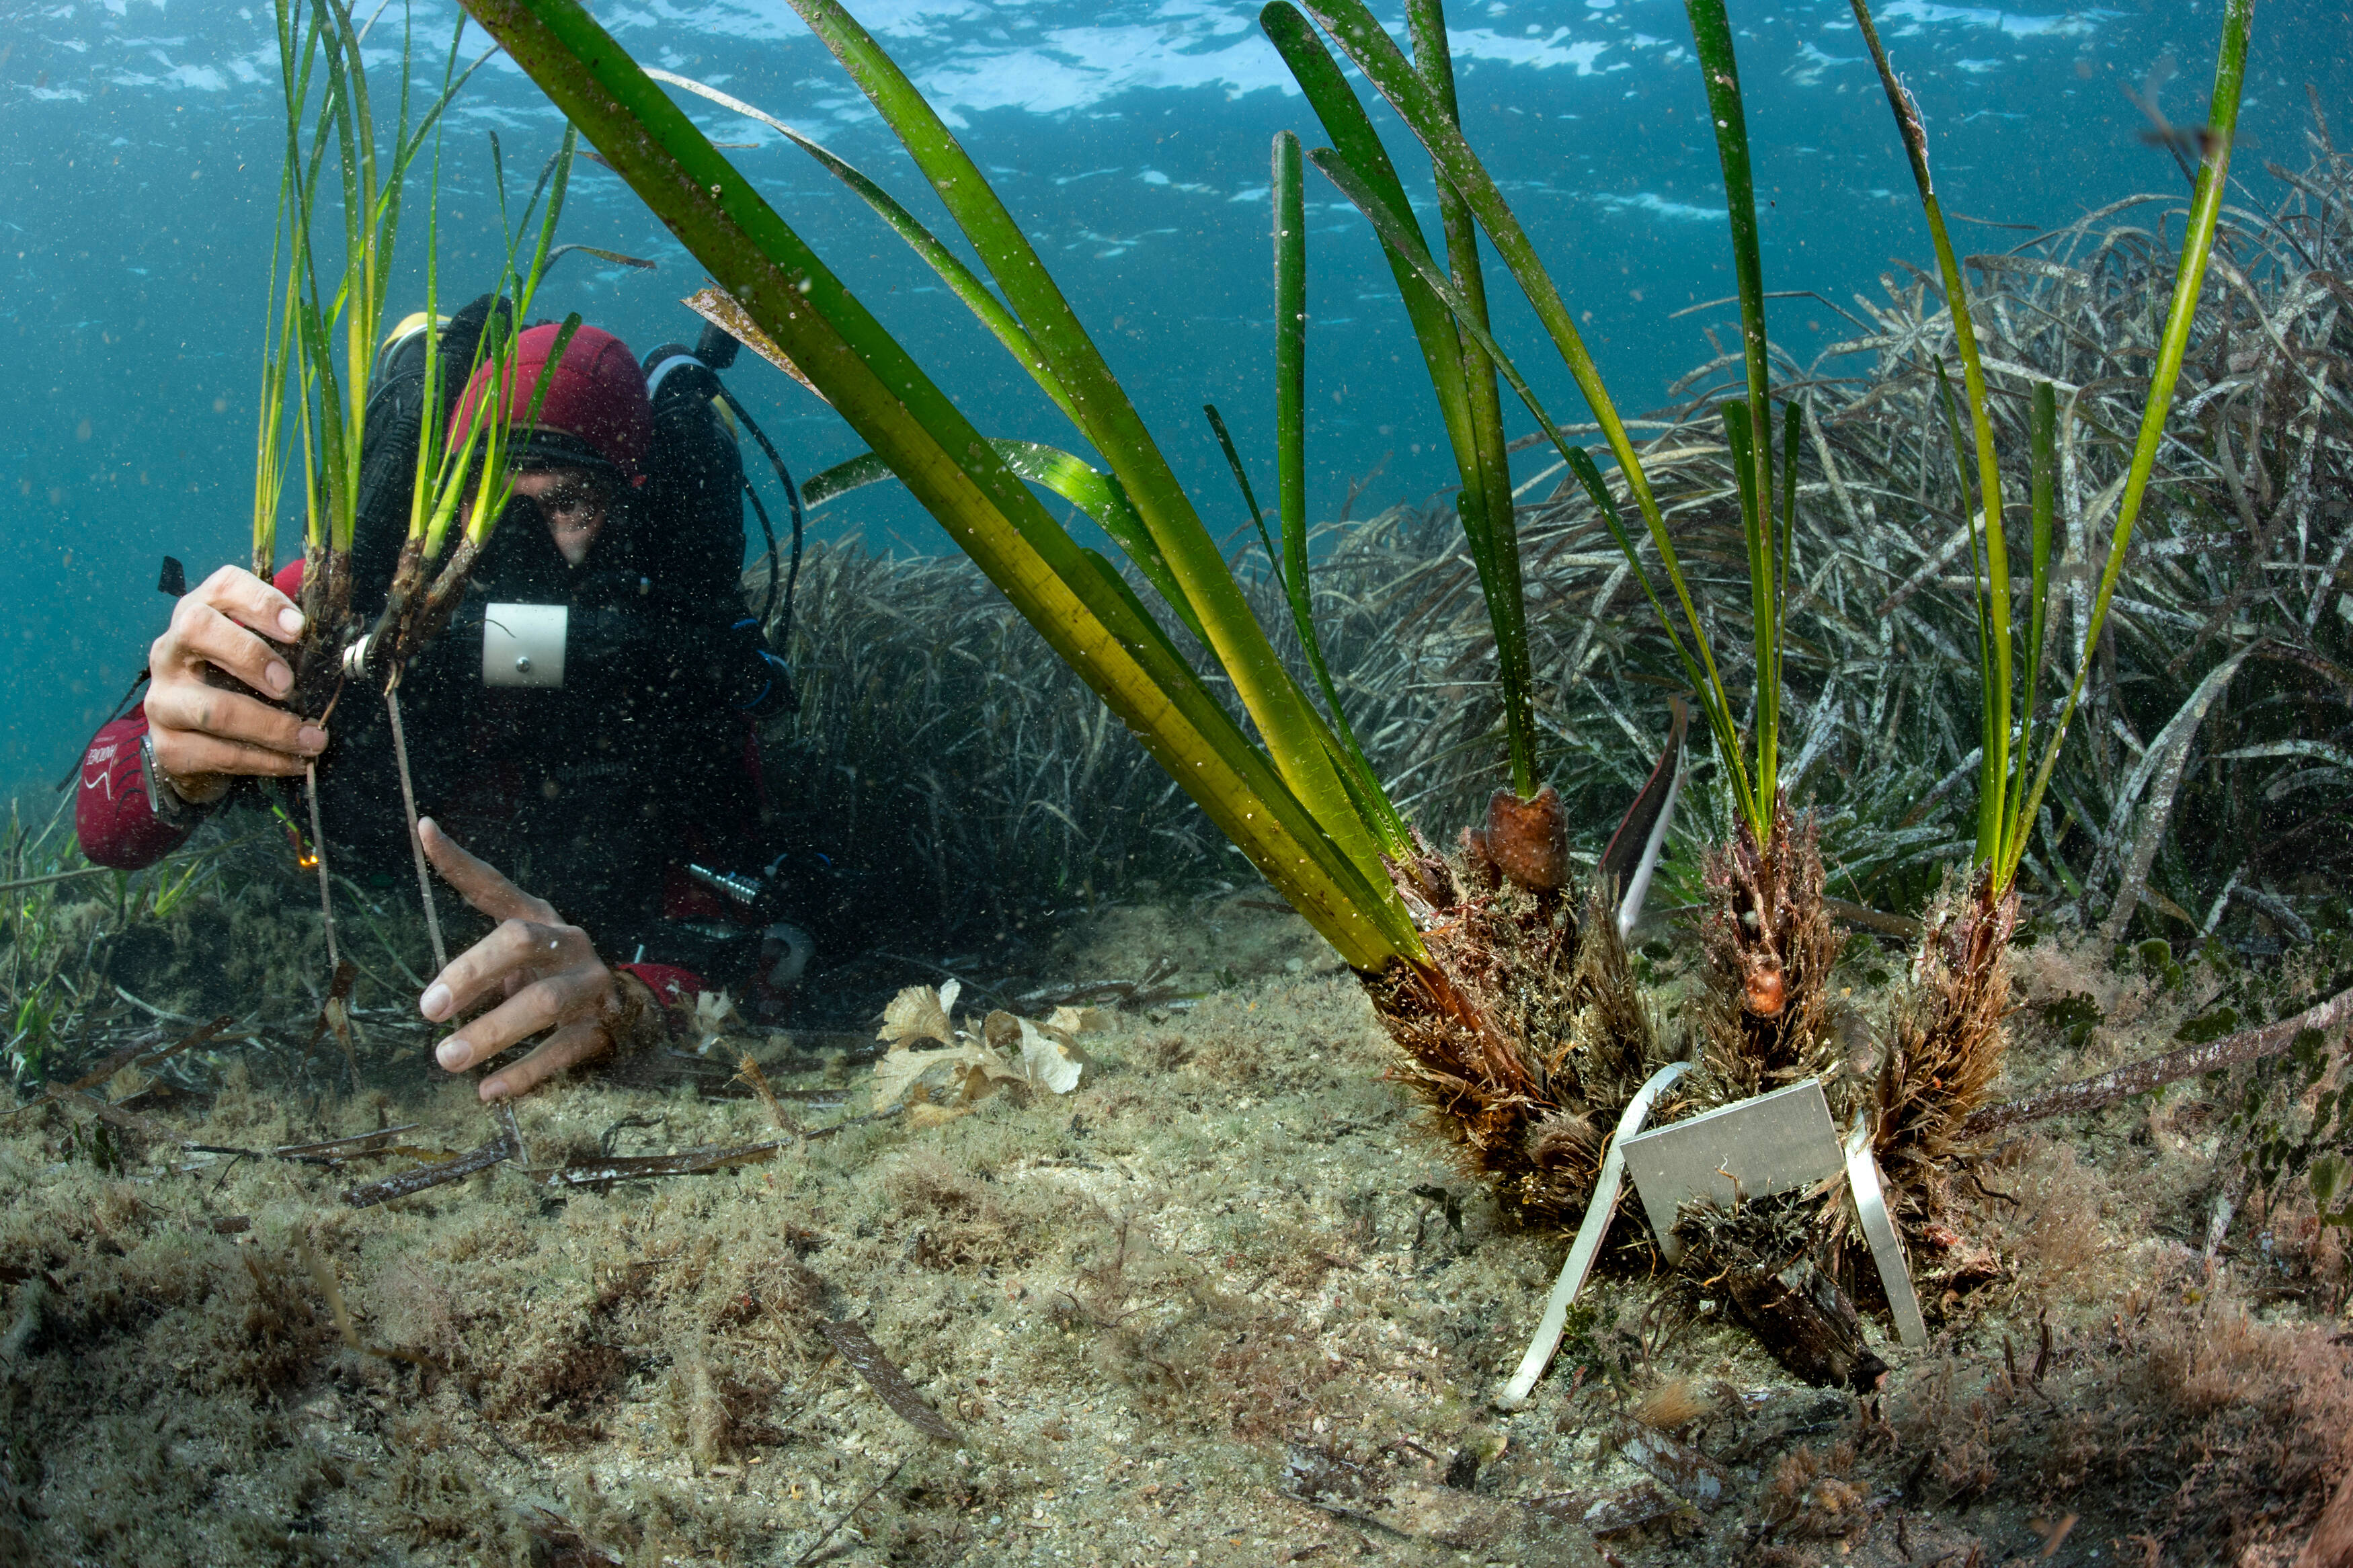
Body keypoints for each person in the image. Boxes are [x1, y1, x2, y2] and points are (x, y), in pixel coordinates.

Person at [75, 298, 809, 1100]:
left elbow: (737, 905)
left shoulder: (661, 668)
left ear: (624, 512)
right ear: (447, 488)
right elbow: (105, 830)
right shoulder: (348, 611)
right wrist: (168, 761)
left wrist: (635, 1001)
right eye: (493, 496)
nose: (521, 538)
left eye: (568, 504)